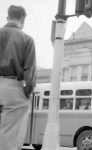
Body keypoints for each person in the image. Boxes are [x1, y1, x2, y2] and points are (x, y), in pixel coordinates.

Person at [0, 5, 36, 150]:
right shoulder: (27, 39)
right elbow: (30, 72)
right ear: (22, 19)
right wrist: (26, 92)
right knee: (10, 137)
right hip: (12, 87)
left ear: (7, 17)